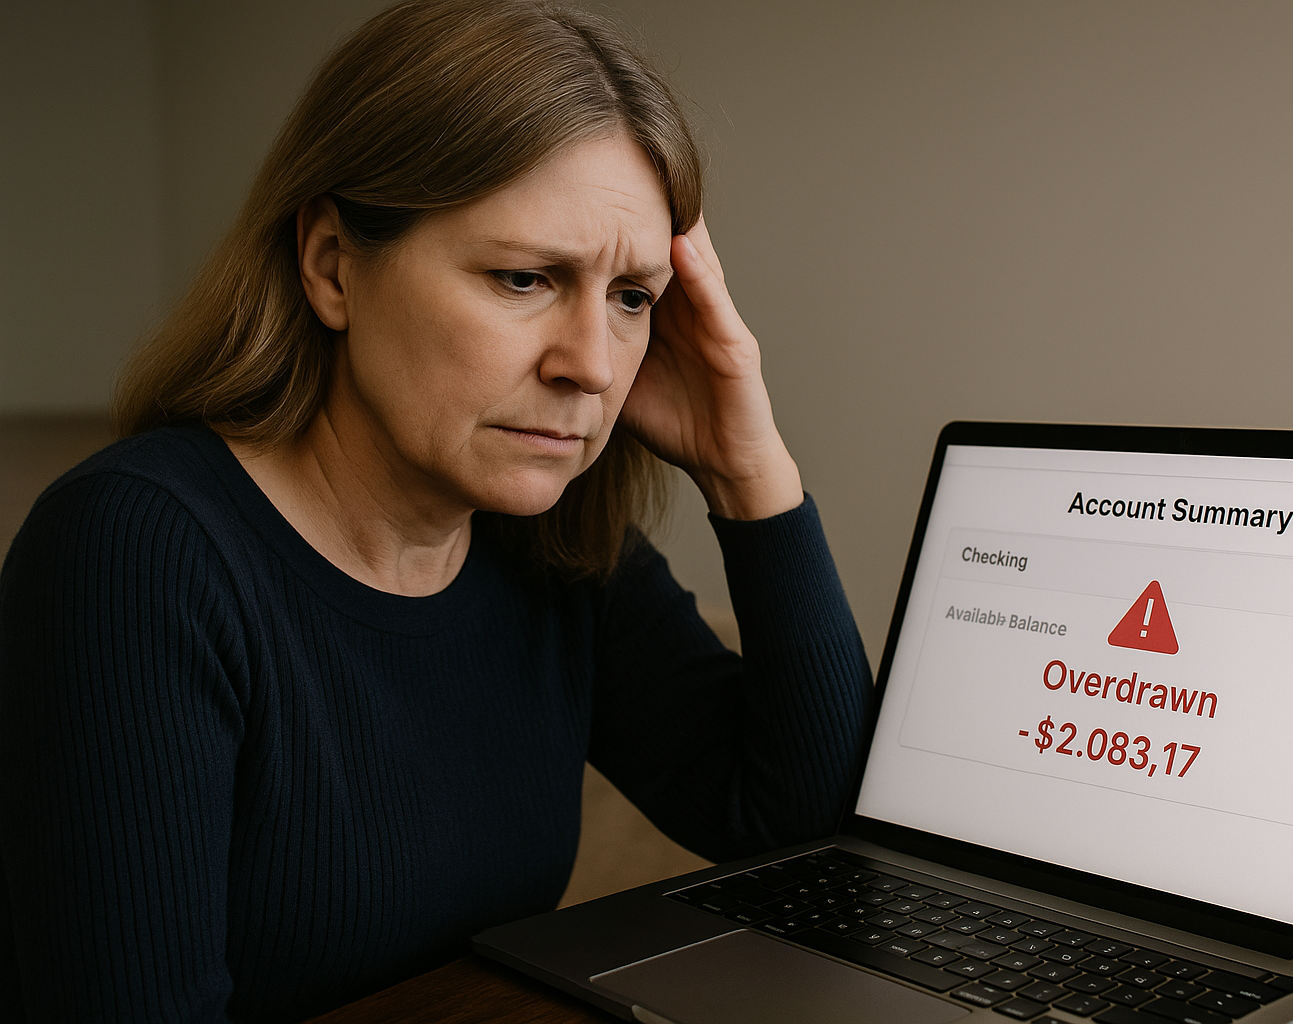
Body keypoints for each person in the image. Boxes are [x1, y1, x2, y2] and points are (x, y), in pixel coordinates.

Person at [0, 2, 871, 1020]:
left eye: (632, 296)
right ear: (333, 265)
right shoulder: (135, 552)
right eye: (524, 276)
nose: (590, 364)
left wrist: (748, 468)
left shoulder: (556, 550)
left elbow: (804, 828)